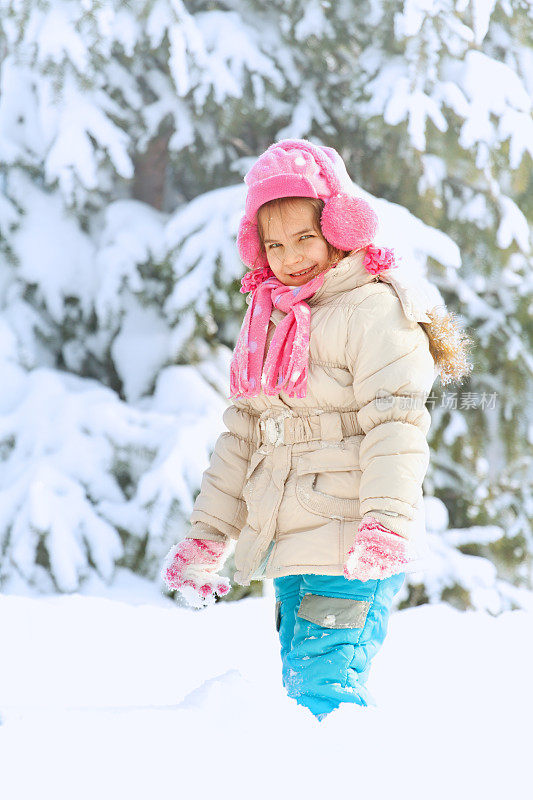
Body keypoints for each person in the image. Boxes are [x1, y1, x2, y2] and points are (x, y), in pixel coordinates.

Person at [161, 138, 472, 721]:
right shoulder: (269, 322)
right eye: (274, 243)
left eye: (305, 236)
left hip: (357, 540)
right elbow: (243, 437)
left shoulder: (375, 309)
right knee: (304, 676)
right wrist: (210, 533)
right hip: (292, 540)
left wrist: (385, 522)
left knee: (324, 685)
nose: (291, 255)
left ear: (339, 225)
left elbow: (395, 423)